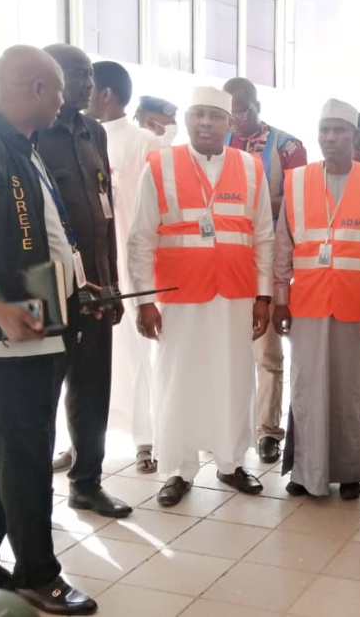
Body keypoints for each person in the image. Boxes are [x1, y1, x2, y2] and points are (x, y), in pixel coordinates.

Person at [0, 44, 96, 615]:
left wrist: (77, 289)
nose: (64, 103)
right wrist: (0, 311)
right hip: (5, 344)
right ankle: (38, 576)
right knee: (24, 462)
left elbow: (45, 238)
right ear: (37, 89)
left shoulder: (23, 148)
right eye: (59, 92)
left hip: (40, 332)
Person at [127, 86, 274, 507]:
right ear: (187, 119)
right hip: (178, 296)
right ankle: (178, 469)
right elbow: (140, 238)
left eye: (216, 116)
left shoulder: (251, 168)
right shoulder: (160, 165)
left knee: (234, 377)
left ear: (231, 123)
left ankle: (231, 462)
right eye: (199, 115)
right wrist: (143, 301)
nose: (206, 123)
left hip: (235, 294)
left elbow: (263, 236)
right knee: (178, 380)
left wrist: (263, 297)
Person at [273, 99, 360, 500]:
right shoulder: (297, 181)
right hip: (307, 305)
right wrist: (280, 299)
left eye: (339, 131)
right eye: (324, 130)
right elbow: (282, 248)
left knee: (353, 392)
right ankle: (306, 471)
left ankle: (350, 471)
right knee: (307, 388)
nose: (330, 138)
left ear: (355, 136)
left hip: (358, 307)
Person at [39, 44, 131, 519]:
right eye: (79, 74)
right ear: (51, 78)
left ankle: (87, 483)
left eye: (91, 74)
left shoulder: (93, 131)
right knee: (42, 395)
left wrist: (111, 283)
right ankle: (32, 498)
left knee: (93, 389)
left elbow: (105, 213)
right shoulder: (32, 132)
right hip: (48, 291)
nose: (89, 84)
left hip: (96, 287)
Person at [223, 77, 307, 465]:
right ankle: (229, 428)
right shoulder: (221, 142)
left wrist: (247, 203)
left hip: (271, 261)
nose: (235, 121)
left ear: (257, 106)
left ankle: (268, 431)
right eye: (229, 114)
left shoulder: (289, 147)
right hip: (226, 263)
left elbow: (296, 204)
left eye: (241, 112)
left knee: (267, 351)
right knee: (227, 350)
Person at [88, 61, 162, 474]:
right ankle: (83, 442)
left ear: (106, 93)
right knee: (90, 358)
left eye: (88, 85)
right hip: (91, 267)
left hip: (131, 265)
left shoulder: (141, 142)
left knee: (139, 355)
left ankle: (145, 441)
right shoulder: (81, 137)